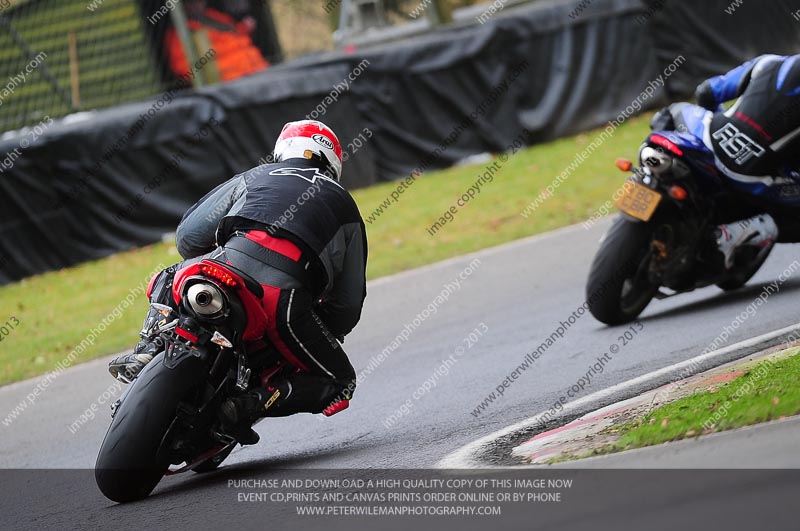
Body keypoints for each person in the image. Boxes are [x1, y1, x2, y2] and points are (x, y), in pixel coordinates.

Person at [109, 120, 367, 441]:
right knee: (341, 381)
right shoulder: (345, 205)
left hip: (222, 267)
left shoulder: (254, 176)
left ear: (281, 152)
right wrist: (322, 327)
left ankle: (147, 347)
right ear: (331, 165)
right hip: (282, 298)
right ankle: (247, 405)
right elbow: (347, 305)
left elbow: (189, 237)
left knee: (172, 272)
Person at [694, 54, 800, 267]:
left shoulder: (769, 62)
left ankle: (644, 181)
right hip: (750, 176)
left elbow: (706, 92)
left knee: (669, 116)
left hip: (708, 140)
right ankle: (731, 234)